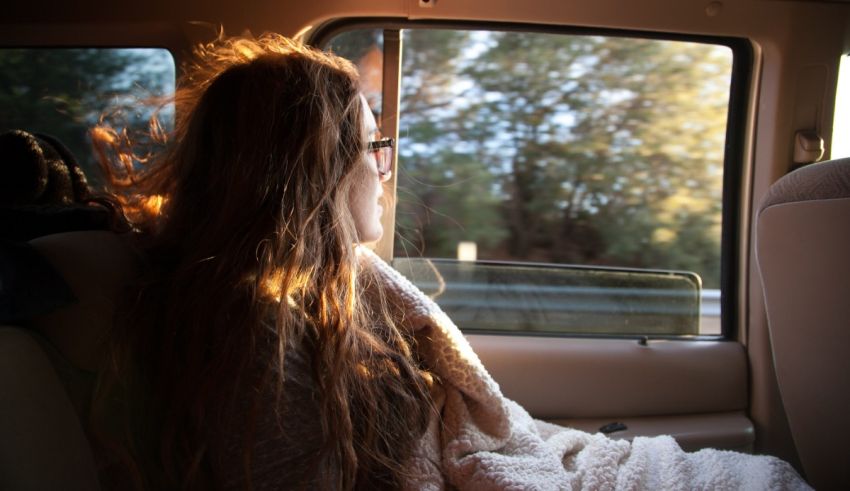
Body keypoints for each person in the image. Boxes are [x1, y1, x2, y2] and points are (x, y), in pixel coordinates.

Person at [91, 34, 434, 490]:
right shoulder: (256, 337)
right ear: (318, 170)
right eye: (373, 146)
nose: (383, 171)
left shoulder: (290, 304)